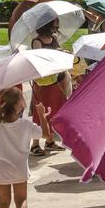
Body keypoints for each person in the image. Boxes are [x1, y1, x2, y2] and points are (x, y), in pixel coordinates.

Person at [29, 24, 70, 156]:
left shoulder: (54, 38)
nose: (57, 27)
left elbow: (57, 51)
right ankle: (35, 143)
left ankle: (50, 140)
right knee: (40, 111)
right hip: (43, 82)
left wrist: (62, 52)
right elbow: (39, 59)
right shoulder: (36, 41)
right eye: (54, 24)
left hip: (56, 79)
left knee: (54, 109)